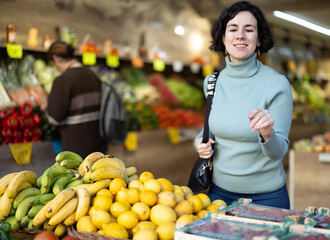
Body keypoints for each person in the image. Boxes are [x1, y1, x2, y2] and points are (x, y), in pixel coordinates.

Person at [194, 1, 293, 209]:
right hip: (218, 195)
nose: (240, 35)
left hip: (267, 199)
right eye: (233, 29)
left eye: (249, 30)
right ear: (223, 37)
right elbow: (211, 131)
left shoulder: (276, 84)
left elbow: (278, 151)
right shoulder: (212, 82)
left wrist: (267, 133)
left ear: (258, 40)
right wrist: (200, 143)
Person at [46, 41, 107, 158]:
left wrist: (47, 107)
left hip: (76, 150)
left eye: (53, 63)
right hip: (98, 147)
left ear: (56, 58)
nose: (56, 67)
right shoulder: (92, 75)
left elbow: (55, 119)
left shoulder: (62, 80)